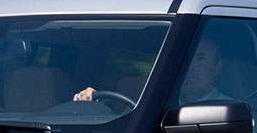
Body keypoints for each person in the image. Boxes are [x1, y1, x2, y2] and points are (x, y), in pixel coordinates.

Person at [73, 37, 228, 104]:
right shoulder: (156, 104)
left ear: (218, 67)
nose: (190, 67)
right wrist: (92, 106)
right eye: (186, 59)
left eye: (201, 59)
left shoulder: (230, 115)